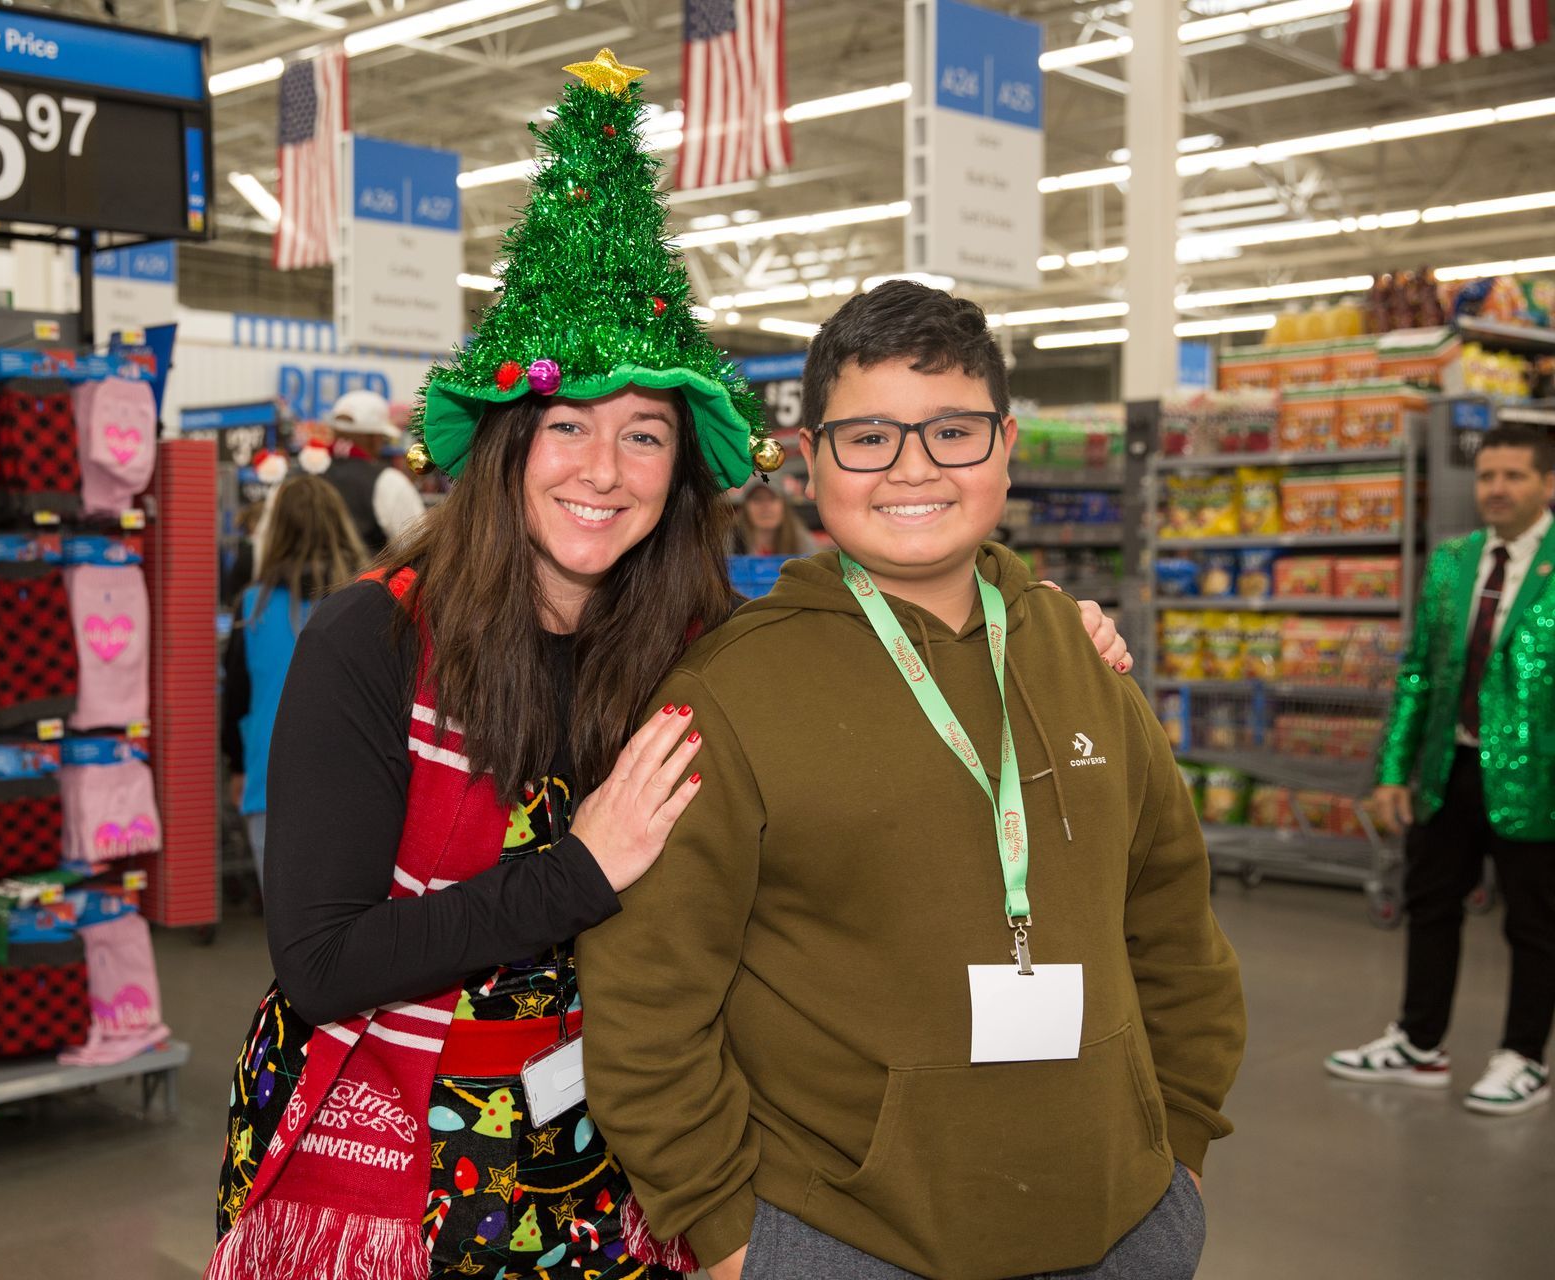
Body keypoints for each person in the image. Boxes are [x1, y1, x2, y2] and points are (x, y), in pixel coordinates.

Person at [209, 55, 1132, 1280]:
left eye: (644, 432)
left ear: (680, 470)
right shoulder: (369, 643)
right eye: (569, 427)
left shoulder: (697, 639)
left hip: (612, 1166)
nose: (605, 467)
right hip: (387, 1161)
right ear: (503, 448)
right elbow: (320, 962)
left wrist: (1040, 619)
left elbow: (875, 620)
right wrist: (579, 868)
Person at [578, 281, 1246, 1280]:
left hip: (1126, 1218)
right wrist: (727, 1233)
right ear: (810, 462)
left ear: (1007, 446)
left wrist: (1180, 1147)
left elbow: (1175, 924)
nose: (914, 468)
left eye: (953, 431)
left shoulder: (1081, 654)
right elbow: (649, 995)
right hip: (848, 1237)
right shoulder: (728, 692)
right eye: (870, 437)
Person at [1328, 423, 1555, 1116]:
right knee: (1431, 905)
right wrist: (1394, 771)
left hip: (1538, 778)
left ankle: (1524, 1058)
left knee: (1535, 923)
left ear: (1548, 484)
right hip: (1447, 766)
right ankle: (1420, 1043)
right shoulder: (1453, 562)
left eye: (1513, 476)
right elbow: (1419, 674)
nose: (1496, 489)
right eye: (1487, 476)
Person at [222, 474, 370, 884]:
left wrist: (237, 766)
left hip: (270, 778)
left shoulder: (254, 606)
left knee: (286, 932)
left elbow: (237, 697)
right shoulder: (372, 599)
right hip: (358, 781)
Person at [323, 387, 427, 553]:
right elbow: (418, 547)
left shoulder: (300, 473)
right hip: (361, 577)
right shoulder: (388, 481)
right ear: (375, 438)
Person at [728, 481, 817, 557]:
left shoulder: (800, 539)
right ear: (745, 507)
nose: (765, 506)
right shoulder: (729, 540)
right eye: (757, 499)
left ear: (784, 505)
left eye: (772, 498)